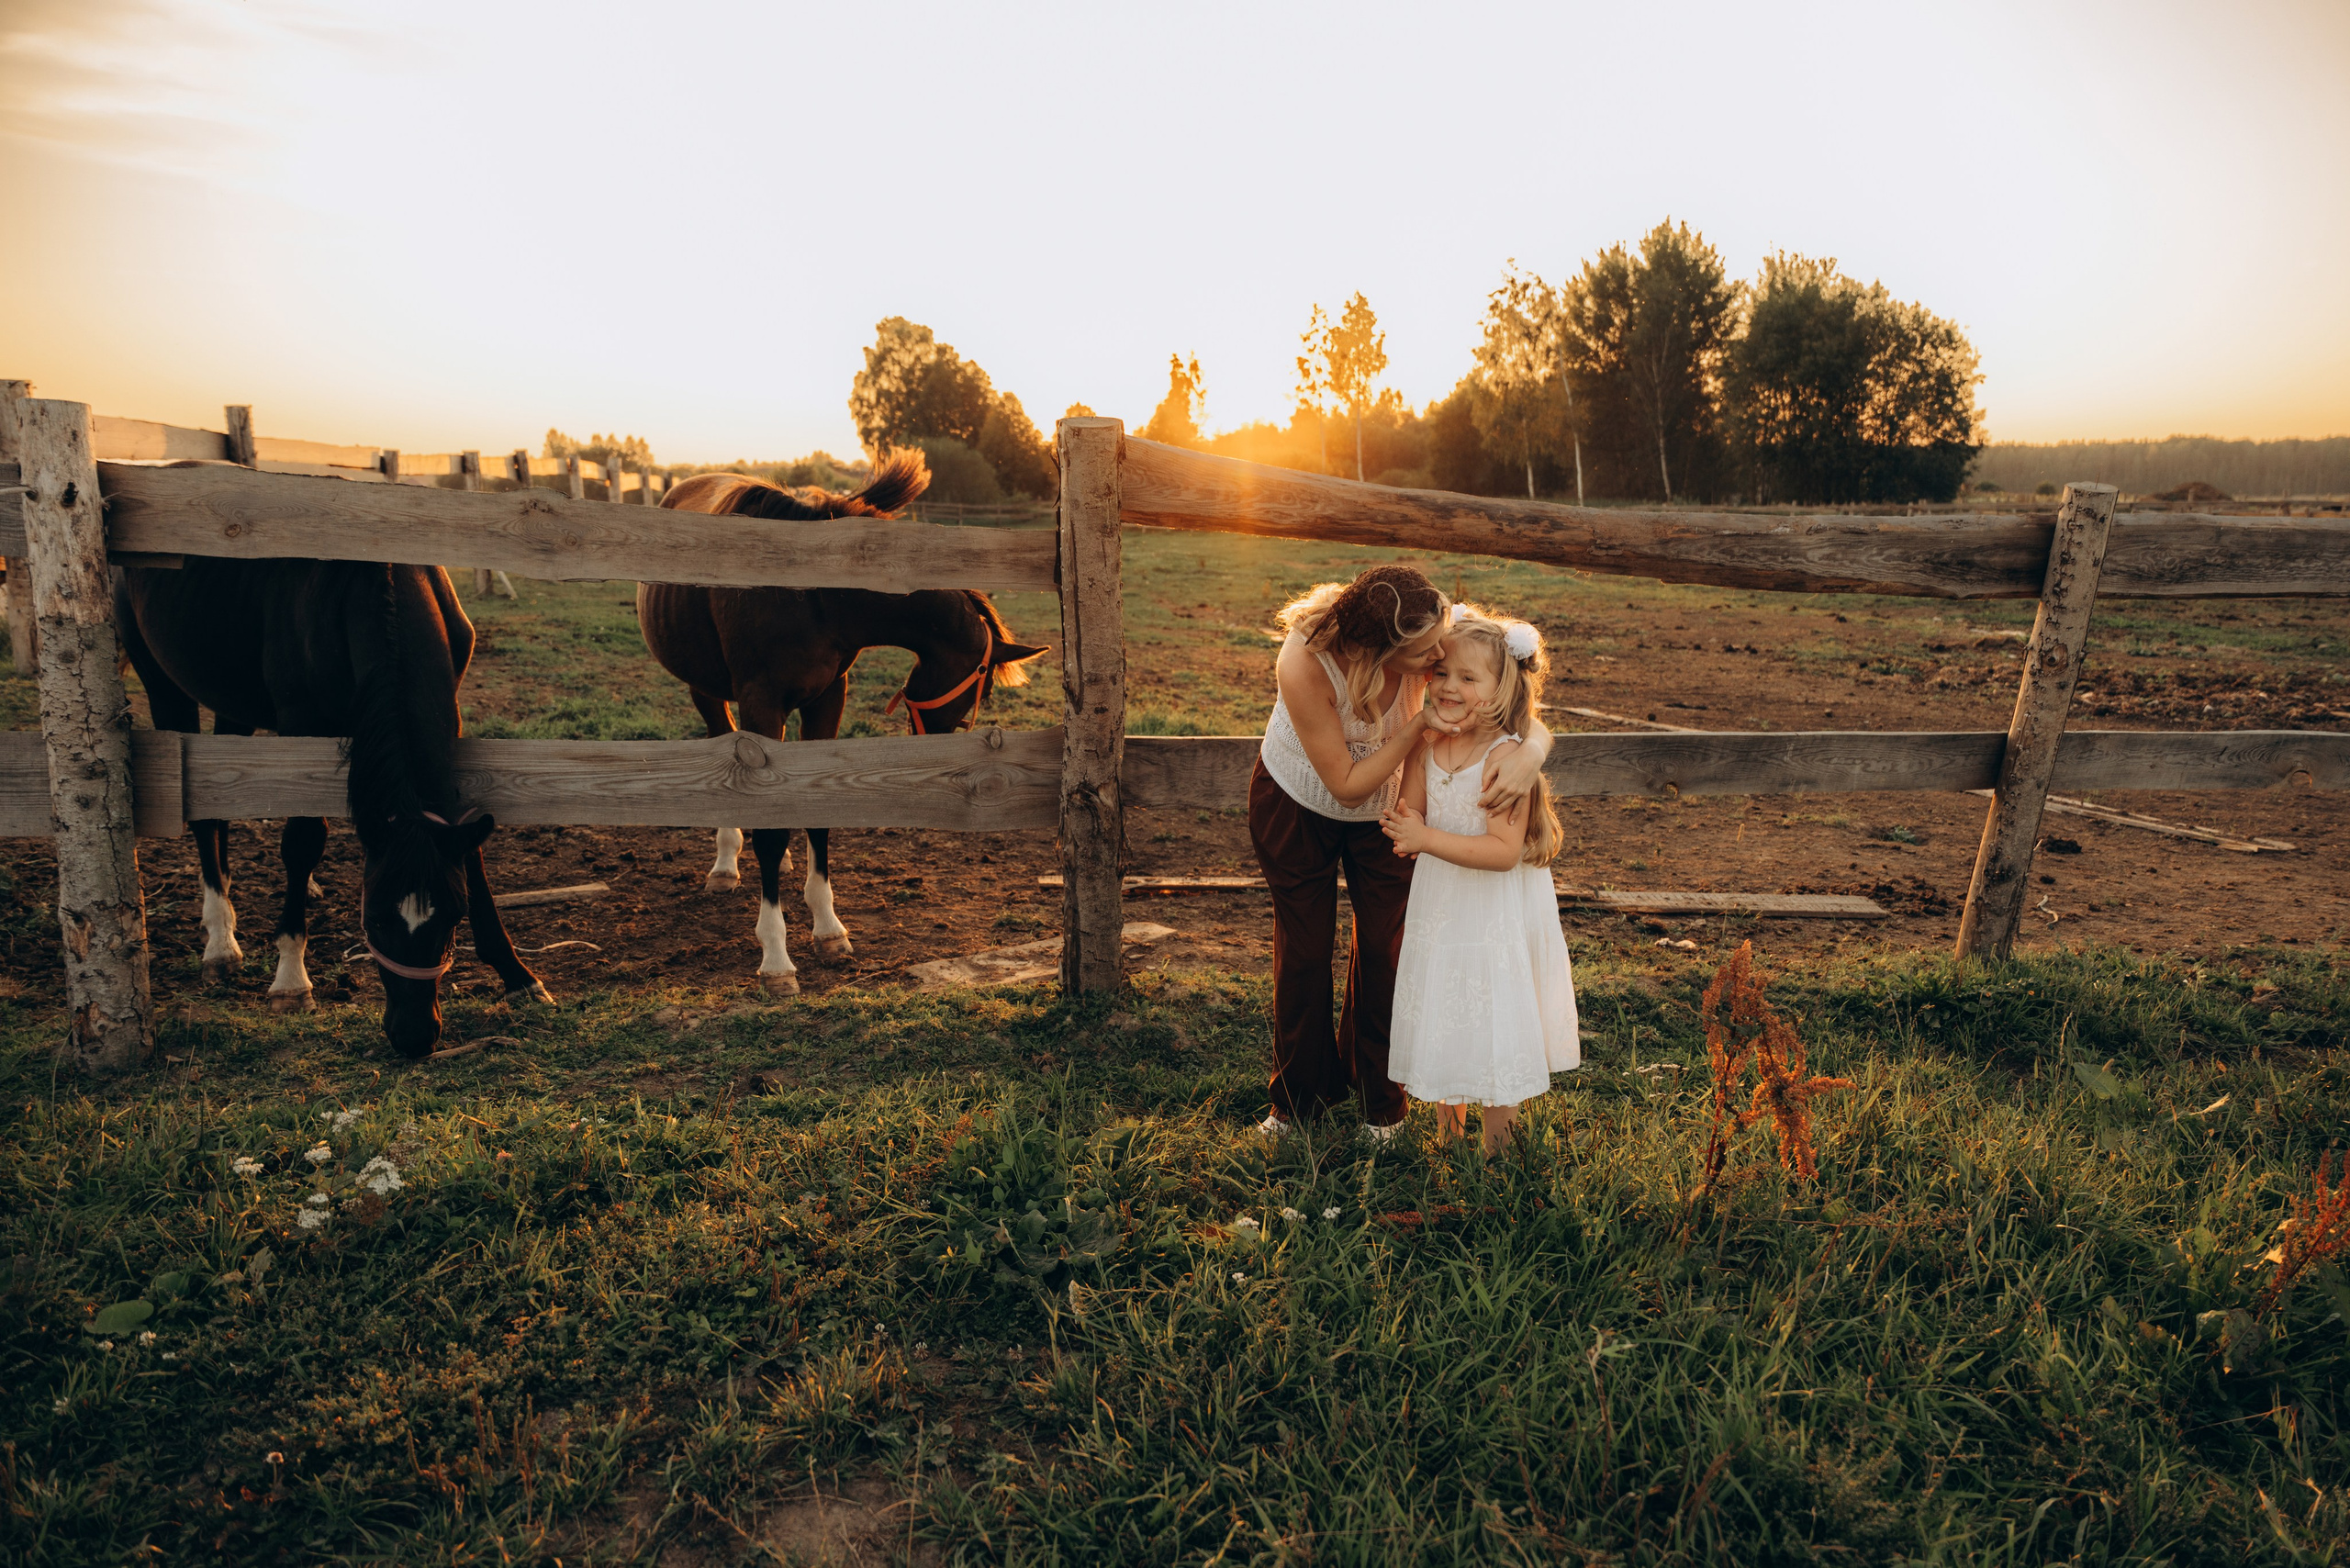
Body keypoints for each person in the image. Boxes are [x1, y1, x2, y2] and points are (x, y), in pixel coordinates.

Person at [1250, 566, 1552, 1141]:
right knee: (1306, 950)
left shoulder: (1426, 624)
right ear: (1384, 651)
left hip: (1391, 813)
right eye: (1427, 656)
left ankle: (1381, 1105)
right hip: (1301, 801)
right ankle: (1295, 1106)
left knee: (1389, 946)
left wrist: (1530, 752)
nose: (1440, 654)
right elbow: (1344, 784)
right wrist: (1417, 727)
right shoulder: (1304, 663)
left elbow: (1513, 683)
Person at [1381, 607, 1580, 1155]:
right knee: (1448, 1004)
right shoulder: (1427, 747)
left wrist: (1424, 839)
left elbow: (1501, 852)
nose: (1449, 687)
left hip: (1490, 910)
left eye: (1469, 678)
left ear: (1500, 689)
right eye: (1442, 674)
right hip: (1442, 905)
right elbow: (1409, 817)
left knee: (1491, 1012)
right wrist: (1407, 827)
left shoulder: (1504, 759)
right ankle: (1449, 1137)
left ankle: (1501, 1148)